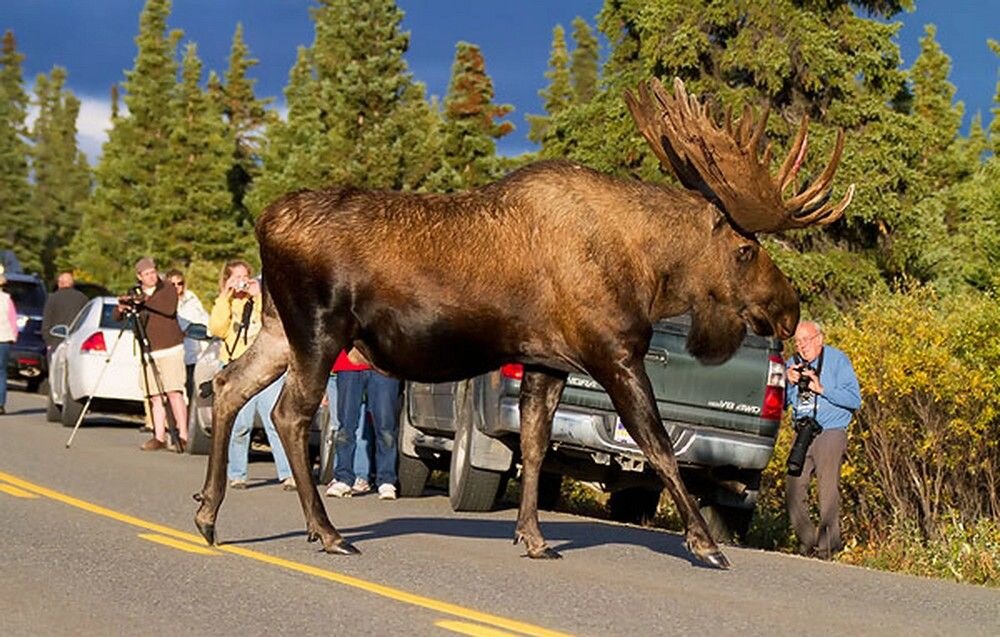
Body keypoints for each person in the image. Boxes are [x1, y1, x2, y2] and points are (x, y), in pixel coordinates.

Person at [209, 260, 294, 490]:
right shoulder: (227, 303)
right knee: (239, 424)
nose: (241, 283)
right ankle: (237, 473)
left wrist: (258, 295)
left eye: (245, 278)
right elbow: (217, 329)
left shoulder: (261, 301)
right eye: (236, 278)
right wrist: (225, 296)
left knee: (276, 422)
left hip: (265, 366)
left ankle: (288, 473)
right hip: (238, 367)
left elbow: (274, 325)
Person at [784, 320, 861, 560]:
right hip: (803, 430)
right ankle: (809, 539)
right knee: (793, 486)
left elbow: (854, 399)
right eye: (797, 342)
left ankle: (827, 547)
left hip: (830, 430)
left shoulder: (838, 361)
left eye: (805, 341)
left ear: (819, 339)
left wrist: (822, 389)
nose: (801, 346)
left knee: (827, 491)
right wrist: (788, 382)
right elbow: (784, 402)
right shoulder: (793, 364)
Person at [114, 257, 188, 451]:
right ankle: (159, 436)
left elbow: (168, 309)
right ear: (139, 276)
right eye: (146, 274)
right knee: (155, 396)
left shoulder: (167, 289)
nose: (151, 276)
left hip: (171, 347)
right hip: (149, 350)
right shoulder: (136, 293)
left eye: (153, 272)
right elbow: (118, 317)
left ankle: (183, 434)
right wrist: (123, 306)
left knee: (174, 392)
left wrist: (143, 301)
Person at [325, 347, 401, 500]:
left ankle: (386, 480)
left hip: (385, 365)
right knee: (346, 426)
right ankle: (343, 478)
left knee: (386, 426)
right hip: (349, 363)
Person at [324, 369, 374, 494]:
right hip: (332, 374)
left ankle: (360, 475)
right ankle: (341, 473)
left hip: (355, 371)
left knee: (358, 429)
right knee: (340, 427)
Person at [164, 268, 209, 403]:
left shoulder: (191, 298)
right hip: (177, 352)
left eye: (180, 283)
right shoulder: (165, 303)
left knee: (194, 390)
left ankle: (191, 421)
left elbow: (204, 319)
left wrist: (205, 331)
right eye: (173, 284)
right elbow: (180, 326)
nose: (177, 287)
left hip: (197, 353)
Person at [41, 270, 88, 355]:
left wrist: (48, 342)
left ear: (59, 283)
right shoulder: (82, 298)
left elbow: (46, 321)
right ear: (72, 284)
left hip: (56, 341)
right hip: (76, 341)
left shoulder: (52, 298)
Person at [0, 272, 18, 415]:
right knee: (1, 372)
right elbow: (12, 320)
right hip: (4, 339)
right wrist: (14, 336)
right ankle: (0, 404)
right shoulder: (7, 300)